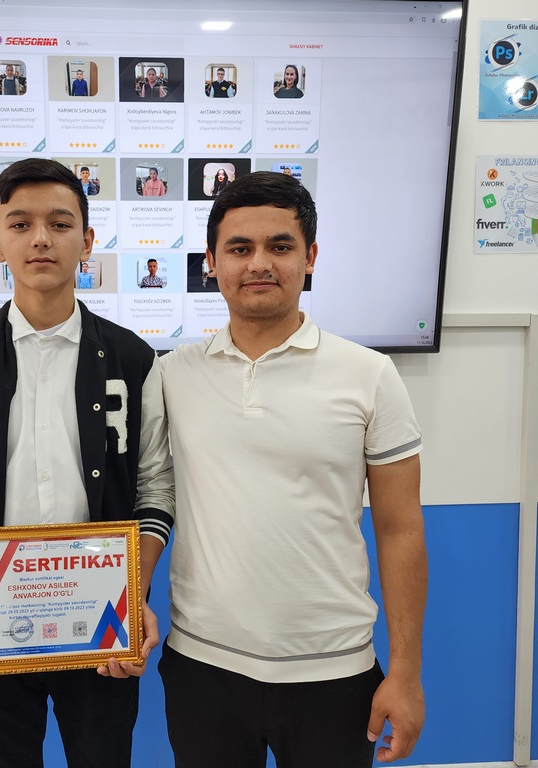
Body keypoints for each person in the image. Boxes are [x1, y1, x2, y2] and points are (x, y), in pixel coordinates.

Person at [159, 171, 426, 768]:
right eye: (239, 248)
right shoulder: (173, 374)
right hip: (202, 667)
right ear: (211, 263)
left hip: (334, 671)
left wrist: (405, 673)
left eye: (280, 246)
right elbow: (150, 495)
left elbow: (401, 528)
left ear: (310, 258)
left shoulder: (370, 374)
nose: (259, 263)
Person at [0, 158, 175, 768]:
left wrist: (132, 596)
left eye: (60, 224)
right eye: (20, 224)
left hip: (101, 625)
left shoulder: (134, 359)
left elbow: (154, 485)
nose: (40, 239)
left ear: (87, 241)